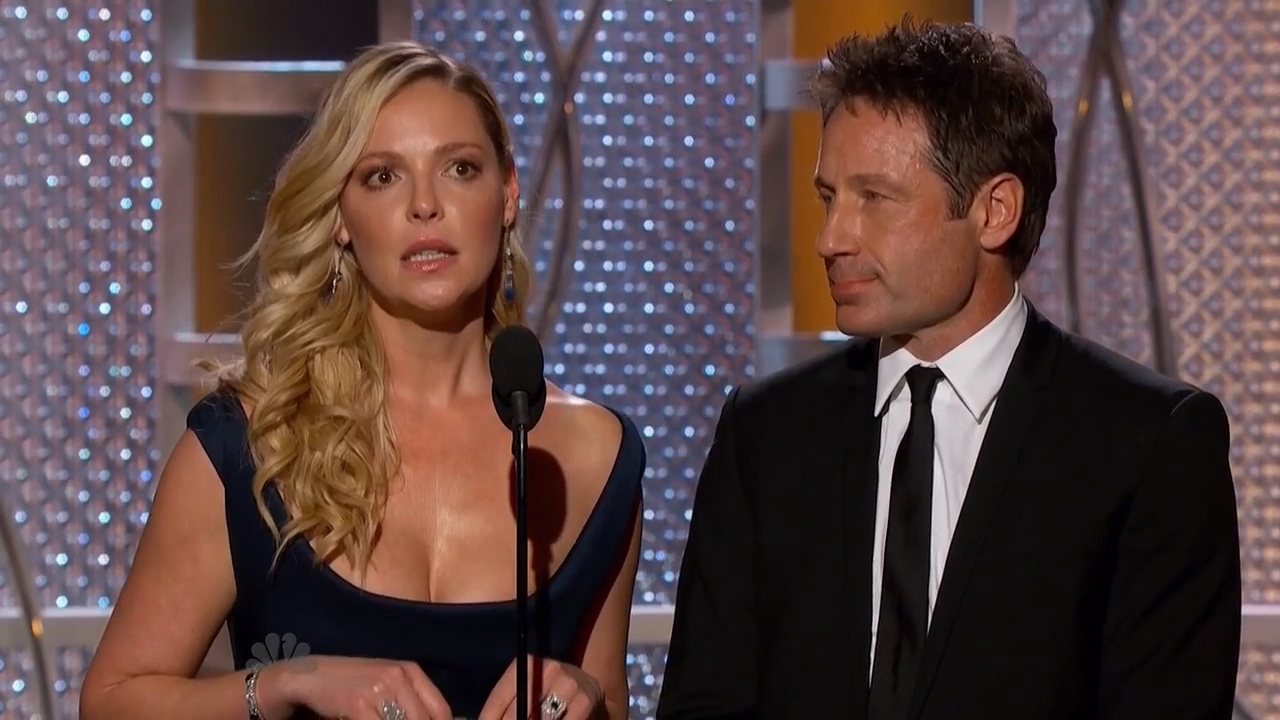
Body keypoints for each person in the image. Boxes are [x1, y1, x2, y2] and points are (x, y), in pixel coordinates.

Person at [657, 17, 1241, 720]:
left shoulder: (1148, 445)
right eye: (829, 197)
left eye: (875, 198)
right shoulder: (764, 435)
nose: (830, 239)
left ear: (995, 211)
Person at [80, 42, 644, 720]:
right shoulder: (251, 443)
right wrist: (289, 684)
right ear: (341, 217)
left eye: (460, 168)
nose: (425, 205)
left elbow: (610, 696)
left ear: (507, 194)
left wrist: (586, 693)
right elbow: (111, 701)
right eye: (383, 176)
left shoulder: (596, 457)